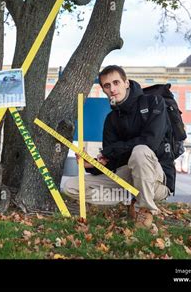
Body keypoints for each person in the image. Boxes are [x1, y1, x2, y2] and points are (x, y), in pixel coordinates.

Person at [63, 65, 174, 228]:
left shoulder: (153, 102)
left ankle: (144, 210)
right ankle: (130, 198)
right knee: (71, 187)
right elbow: (112, 160)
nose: (112, 89)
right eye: (107, 86)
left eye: (116, 83)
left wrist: (113, 151)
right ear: (104, 90)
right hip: (126, 179)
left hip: (157, 181)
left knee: (140, 151)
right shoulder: (111, 119)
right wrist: (93, 164)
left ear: (126, 83)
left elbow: (150, 142)